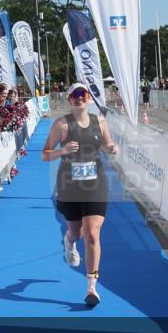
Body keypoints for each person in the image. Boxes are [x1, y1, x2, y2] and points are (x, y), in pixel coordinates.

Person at [42, 83, 119, 308]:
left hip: (96, 184)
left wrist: (112, 148)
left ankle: (91, 286)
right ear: (69, 100)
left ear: (89, 98)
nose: (79, 98)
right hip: (69, 187)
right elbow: (45, 155)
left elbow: (107, 145)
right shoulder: (62, 125)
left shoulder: (100, 122)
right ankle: (68, 241)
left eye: (83, 94)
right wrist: (61, 151)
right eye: (74, 95)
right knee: (75, 231)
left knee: (92, 234)